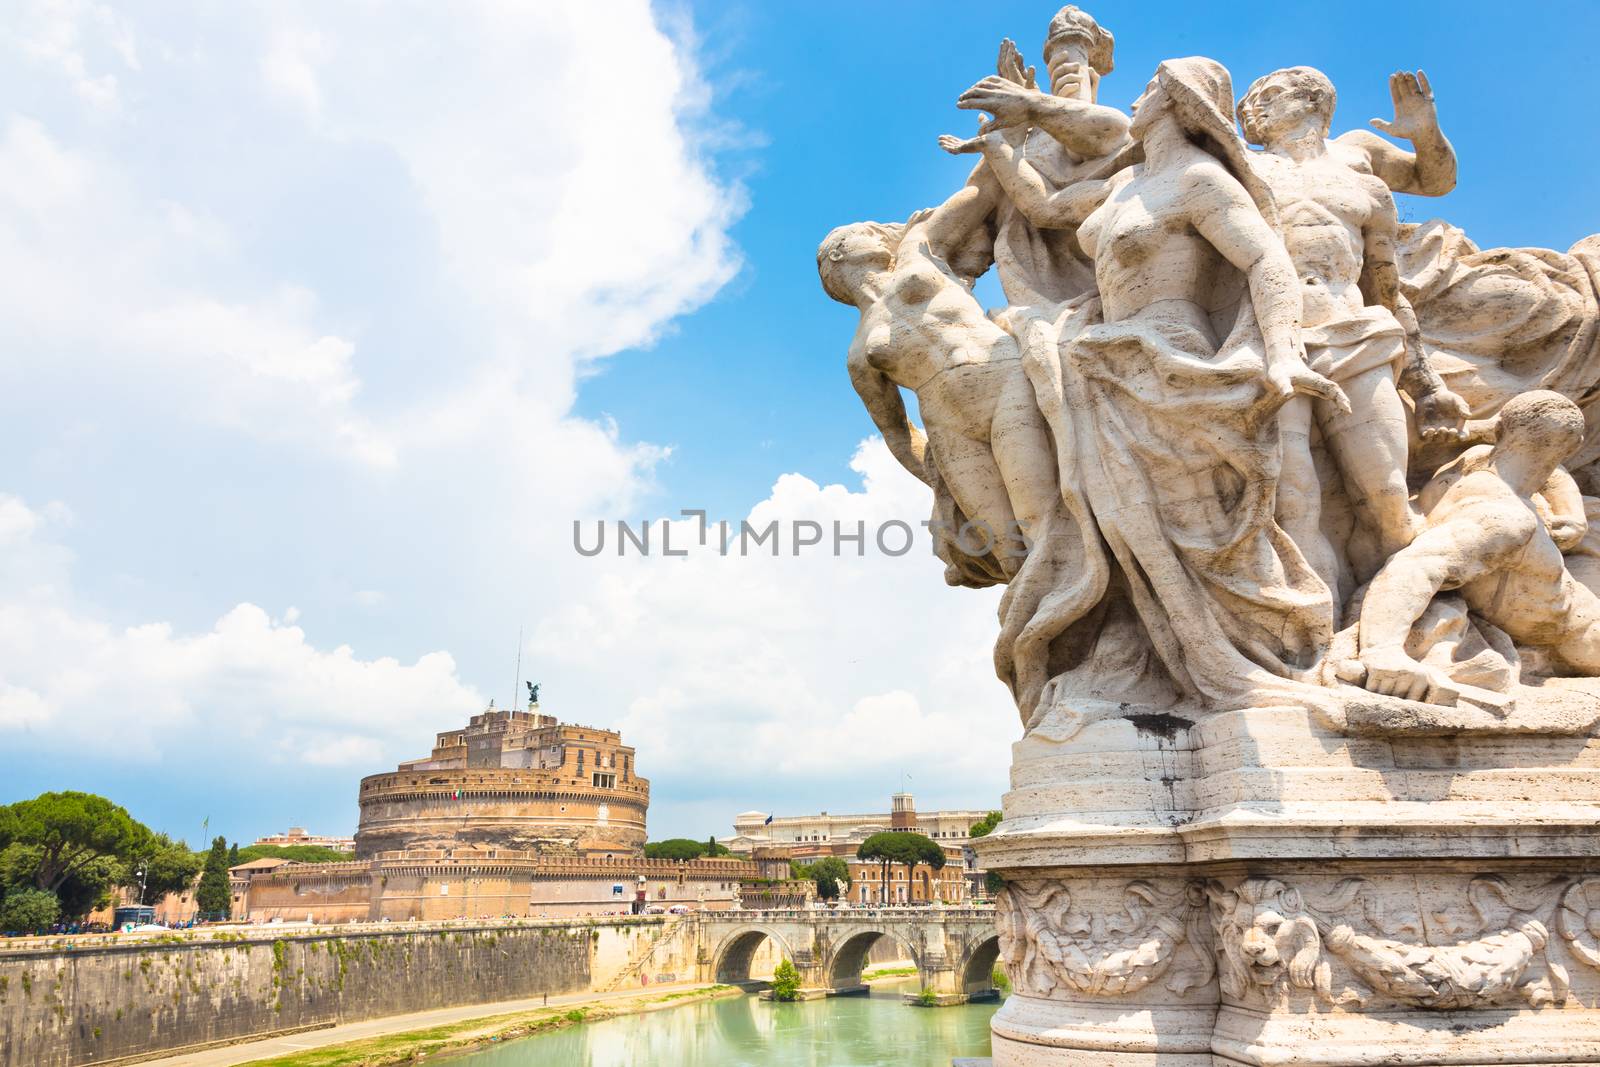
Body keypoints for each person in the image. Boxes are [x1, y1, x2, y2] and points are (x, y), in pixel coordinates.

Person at [940, 57, 1345, 710]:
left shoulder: (1198, 179)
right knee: (1122, 531)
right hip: (1104, 366)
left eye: (1155, 86)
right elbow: (1045, 208)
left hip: (1172, 361)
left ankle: (1276, 656)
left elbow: (1266, 258)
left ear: (1184, 102)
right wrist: (998, 145)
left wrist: (1281, 352)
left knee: (1198, 531)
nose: (1140, 93)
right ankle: (1149, 660)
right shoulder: (1127, 183)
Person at [1235, 66, 1469, 588]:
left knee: (1386, 493)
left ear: (1315, 100)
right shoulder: (1240, 166)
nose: (1252, 108)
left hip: (1355, 335)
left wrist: (1427, 386)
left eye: (1268, 95)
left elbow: (1387, 285)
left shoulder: (1359, 168)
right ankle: (1317, 635)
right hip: (1271, 340)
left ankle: (1405, 611)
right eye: (1247, 101)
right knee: (1292, 506)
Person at [1356, 392, 1600, 702]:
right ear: (1575, 446)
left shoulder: (1471, 463)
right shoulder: (1508, 520)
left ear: (1499, 429)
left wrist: (1573, 511)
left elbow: (1550, 473)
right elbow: (1414, 567)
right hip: (1579, 635)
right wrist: (1382, 651)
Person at [925, 6, 1132, 308]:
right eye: (1057, 67)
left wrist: (1028, 110)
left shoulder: (1124, 151)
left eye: (1075, 69)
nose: (1064, 73)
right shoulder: (1037, 144)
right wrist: (1014, 130)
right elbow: (989, 197)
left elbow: (1103, 136)